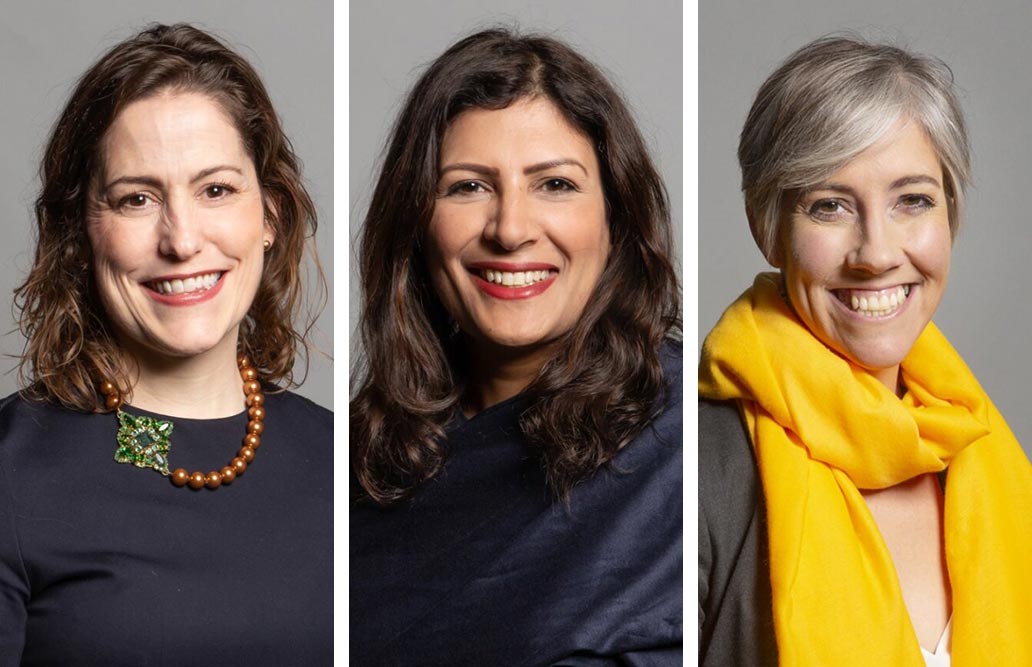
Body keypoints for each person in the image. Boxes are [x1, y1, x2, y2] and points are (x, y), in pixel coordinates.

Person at [0, 24, 331, 665]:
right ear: (80, 232)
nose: (181, 241)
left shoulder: (347, 464)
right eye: (137, 198)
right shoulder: (12, 472)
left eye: (216, 190)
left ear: (270, 215)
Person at [350, 28, 682, 665]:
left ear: (616, 218)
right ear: (415, 222)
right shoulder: (359, 461)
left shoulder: (685, 445)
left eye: (555, 184)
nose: (510, 230)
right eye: (468, 186)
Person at [698, 35, 1032, 666]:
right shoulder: (693, 471)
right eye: (829, 206)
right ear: (769, 228)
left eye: (913, 200)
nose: (876, 253)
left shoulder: (980, 444)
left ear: (950, 216)